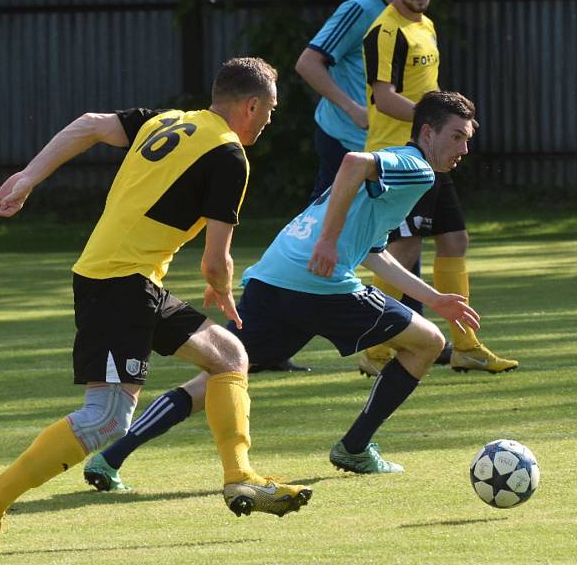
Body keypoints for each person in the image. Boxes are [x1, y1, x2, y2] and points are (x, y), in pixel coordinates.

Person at [0, 57, 312, 553]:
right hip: (118, 283)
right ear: (252, 105)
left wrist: (28, 177)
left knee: (229, 357)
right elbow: (216, 258)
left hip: (131, 280)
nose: (271, 120)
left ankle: (240, 477)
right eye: (270, 109)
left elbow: (88, 125)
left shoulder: (169, 120)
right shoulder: (229, 156)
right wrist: (224, 290)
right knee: (105, 420)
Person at [84, 90, 481, 491]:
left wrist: (434, 299)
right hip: (319, 284)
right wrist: (327, 242)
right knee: (428, 343)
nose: (464, 148)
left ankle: (111, 457)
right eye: (457, 136)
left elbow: (373, 251)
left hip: (275, 275)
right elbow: (353, 162)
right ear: (427, 133)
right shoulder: (417, 167)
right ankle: (355, 447)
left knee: (222, 372)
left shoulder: (400, 169)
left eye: (467, 138)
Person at [360, 0, 518, 376]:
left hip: (432, 156)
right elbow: (384, 97)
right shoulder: (386, 31)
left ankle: (465, 346)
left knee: (454, 241)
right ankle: (375, 348)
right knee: (403, 248)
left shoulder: (426, 25)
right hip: (400, 159)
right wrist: (438, 120)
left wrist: (441, 131)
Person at [272, 0, 418, 375]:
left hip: (383, 149)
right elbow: (306, 62)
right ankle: (266, 338)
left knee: (404, 237)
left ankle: (411, 336)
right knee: (315, 244)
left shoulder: (411, 19)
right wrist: (354, 108)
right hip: (345, 143)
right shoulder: (359, 9)